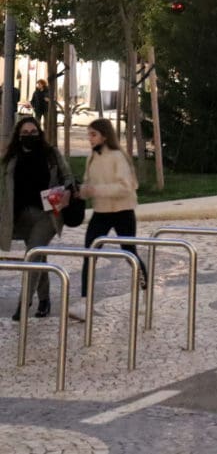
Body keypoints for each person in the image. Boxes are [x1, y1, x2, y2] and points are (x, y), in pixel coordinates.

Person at [1, 117, 74, 321]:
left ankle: (24, 303)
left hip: (47, 215)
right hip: (21, 217)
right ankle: (44, 299)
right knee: (38, 255)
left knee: (32, 256)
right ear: (18, 135)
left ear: (39, 133)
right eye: (25, 132)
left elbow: (68, 177)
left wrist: (66, 192)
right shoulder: (11, 158)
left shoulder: (50, 154)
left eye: (33, 132)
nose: (29, 135)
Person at [76, 119, 145, 321]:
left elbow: (126, 186)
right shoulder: (92, 157)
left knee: (129, 251)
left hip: (123, 210)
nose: (90, 139)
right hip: (101, 211)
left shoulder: (118, 157)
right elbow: (89, 183)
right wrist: (80, 191)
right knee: (89, 253)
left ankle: (145, 292)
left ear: (104, 136)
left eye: (93, 134)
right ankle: (85, 302)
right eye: (89, 134)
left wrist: (96, 190)